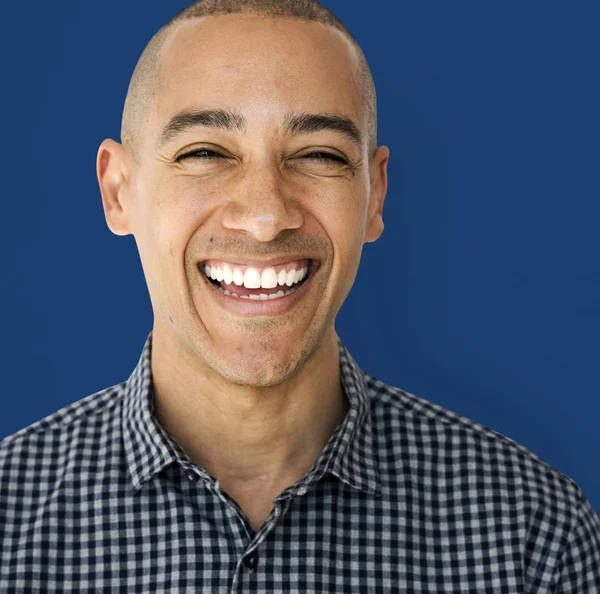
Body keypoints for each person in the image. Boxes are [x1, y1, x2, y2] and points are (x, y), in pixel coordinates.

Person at [1, 0, 599, 591]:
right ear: (118, 191)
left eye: (319, 155)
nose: (265, 216)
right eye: (205, 153)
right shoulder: (8, 521)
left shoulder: (533, 538)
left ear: (375, 195)